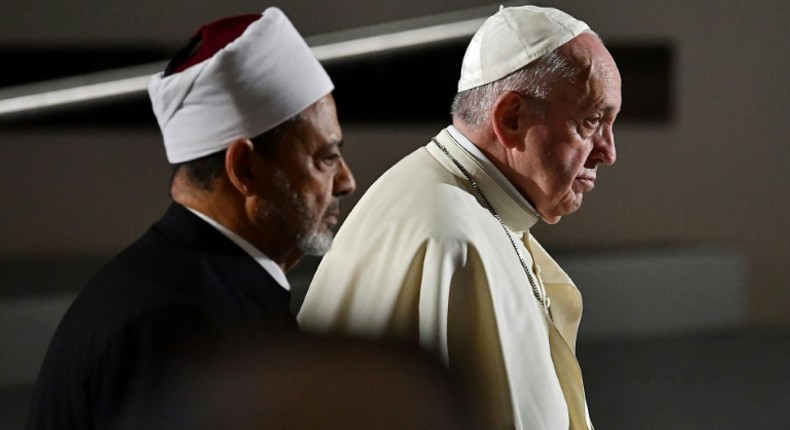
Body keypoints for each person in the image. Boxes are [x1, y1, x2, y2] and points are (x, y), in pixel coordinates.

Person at [26, 7, 355, 430]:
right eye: (326, 157)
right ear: (246, 170)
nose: (346, 180)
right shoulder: (180, 326)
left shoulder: (186, 290)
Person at [298, 5, 620, 430]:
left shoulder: (471, 208)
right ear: (511, 118)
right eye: (592, 121)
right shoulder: (447, 239)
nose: (608, 152)